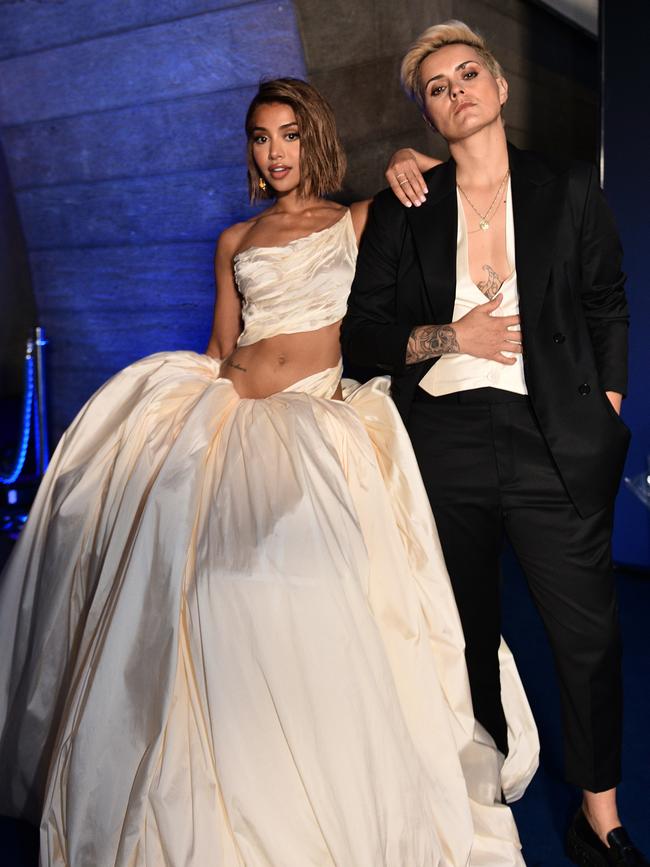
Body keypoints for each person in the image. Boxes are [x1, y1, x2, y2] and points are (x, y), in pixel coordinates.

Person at [0, 77, 538, 866]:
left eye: (288, 134)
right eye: (260, 137)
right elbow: (224, 346)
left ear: (312, 138)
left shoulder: (355, 219)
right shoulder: (235, 239)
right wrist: (176, 413)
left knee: (281, 589)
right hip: (223, 417)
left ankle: (296, 777)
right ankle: (190, 773)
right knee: (183, 590)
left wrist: (401, 156)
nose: (274, 151)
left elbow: (453, 177)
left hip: (310, 418)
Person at [342, 20, 646, 867]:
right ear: (428, 113)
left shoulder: (569, 189)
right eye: (436, 86)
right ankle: (485, 784)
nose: (456, 91)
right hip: (443, 441)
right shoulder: (407, 206)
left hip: (554, 438)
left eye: (467, 73)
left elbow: (607, 300)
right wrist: (449, 337)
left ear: (500, 88)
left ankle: (600, 813)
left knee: (588, 636)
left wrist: (607, 403)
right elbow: (362, 335)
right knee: (464, 625)